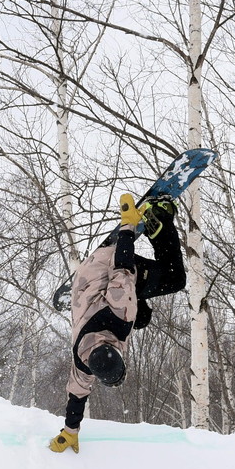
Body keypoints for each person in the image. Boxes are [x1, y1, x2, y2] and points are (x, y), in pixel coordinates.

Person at [50, 193, 184, 453]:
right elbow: (76, 395)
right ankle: (134, 289)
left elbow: (122, 268)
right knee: (142, 318)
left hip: (108, 266)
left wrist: (128, 226)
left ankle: (160, 217)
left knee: (175, 278)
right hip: (85, 289)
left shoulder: (120, 316)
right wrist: (70, 431)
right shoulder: (82, 357)